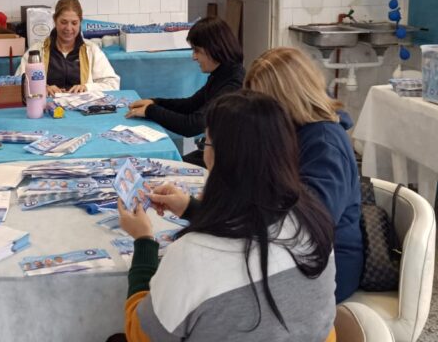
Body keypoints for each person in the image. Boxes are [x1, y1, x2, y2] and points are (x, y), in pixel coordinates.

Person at [117, 91, 337, 341]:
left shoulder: (192, 256)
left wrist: (144, 241)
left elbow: (141, 334)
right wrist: (190, 208)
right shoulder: (313, 219)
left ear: (219, 157)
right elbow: (253, 227)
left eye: (205, 142)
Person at [245, 47, 363, 303]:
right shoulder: (294, 130)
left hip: (329, 265)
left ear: (288, 99)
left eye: (263, 104)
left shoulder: (325, 142)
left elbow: (310, 224)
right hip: (292, 249)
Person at [125, 17, 243, 163]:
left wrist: (151, 110)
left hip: (225, 161)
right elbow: (191, 104)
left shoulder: (232, 84)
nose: (194, 57)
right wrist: (155, 102)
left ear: (214, 49)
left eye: (197, 51)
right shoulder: (222, 74)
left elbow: (191, 125)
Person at [15, 0, 120, 94]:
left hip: (81, 111)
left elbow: (113, 84)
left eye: (74, 23)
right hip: (46, 110)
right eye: (64, 22)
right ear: (55, 20)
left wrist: (87, 87)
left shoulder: (92, 50)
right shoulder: (36, 51)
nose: (68, 28)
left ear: (80, 23)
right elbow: (17, 83)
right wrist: (42, 88)